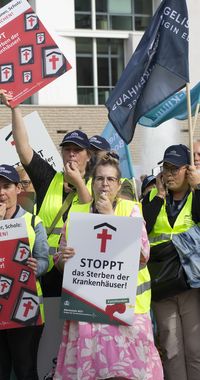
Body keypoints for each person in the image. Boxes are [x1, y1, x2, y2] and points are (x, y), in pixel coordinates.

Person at [53, 154, 163, 380]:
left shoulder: (132, 210)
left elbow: (142, 256)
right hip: (87, 310)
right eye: (100, 178)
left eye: (111, 179)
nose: (105, 184)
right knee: (91, 373)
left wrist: (110, 217)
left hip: (124, 310)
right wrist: (64, 259)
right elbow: (60, 262)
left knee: (126, 373)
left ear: (119, 184)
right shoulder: (76, 215)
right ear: (91, 182)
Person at [1, 90, 92, 296]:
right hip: (47, 271)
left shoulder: (97, 184)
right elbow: (23, 149)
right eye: (67, 149)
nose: (71, 154)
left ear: (88, 155)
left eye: (77, 150)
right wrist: (15, 108)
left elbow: (94, 212)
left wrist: (79, 183)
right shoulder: (49, 178)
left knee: (77, 329)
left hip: (84, 271)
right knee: (51, 327)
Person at [142, 144, 200, 380]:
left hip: (189, 285)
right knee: (171, 349)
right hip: (162, 284)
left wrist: (198, 186)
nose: (170, 174)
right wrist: (158, 197)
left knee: (195, 349)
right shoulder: (153, 198)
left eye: (176, 168)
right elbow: (142, 228)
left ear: (188, 170)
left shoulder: (196, 195)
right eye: (166, 168)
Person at [0, 164, 49, 380]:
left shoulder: (32, 221)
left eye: (6, 186)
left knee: (24, 367)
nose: (1, 192)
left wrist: (34, 267)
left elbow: (43, 260)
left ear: (18, 189)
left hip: (25, 307)